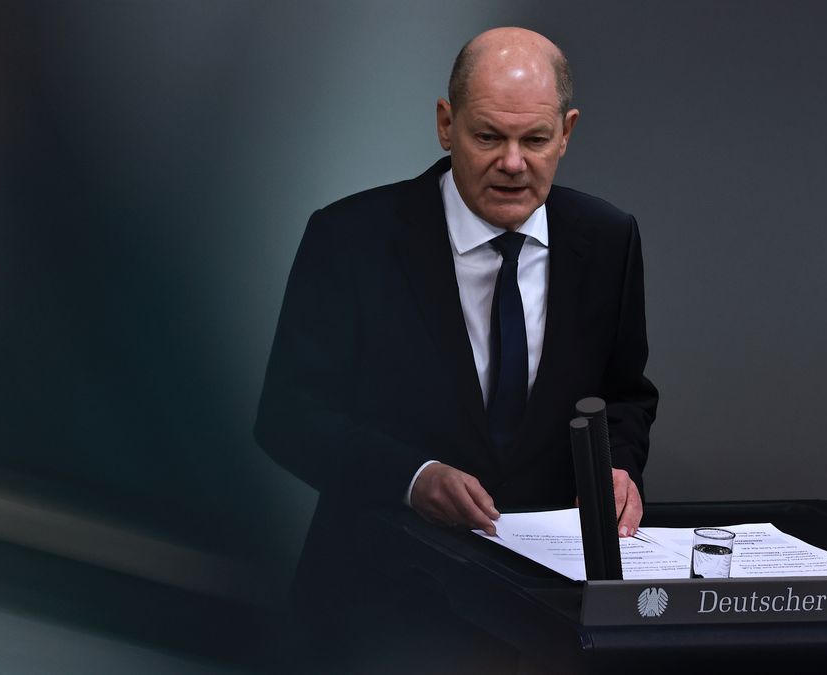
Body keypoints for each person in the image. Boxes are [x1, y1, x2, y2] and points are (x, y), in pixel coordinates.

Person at [254, 26, 658, 672]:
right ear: (447, 124)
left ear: (567, 133)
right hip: (378, 610)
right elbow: (288, 415)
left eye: (534, 140)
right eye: (489, 137)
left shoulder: (609, 239)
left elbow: (624, 395)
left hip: (546, 619)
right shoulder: (351, 237)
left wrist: (616, 467)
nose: (513, 163)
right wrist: (411, 478)